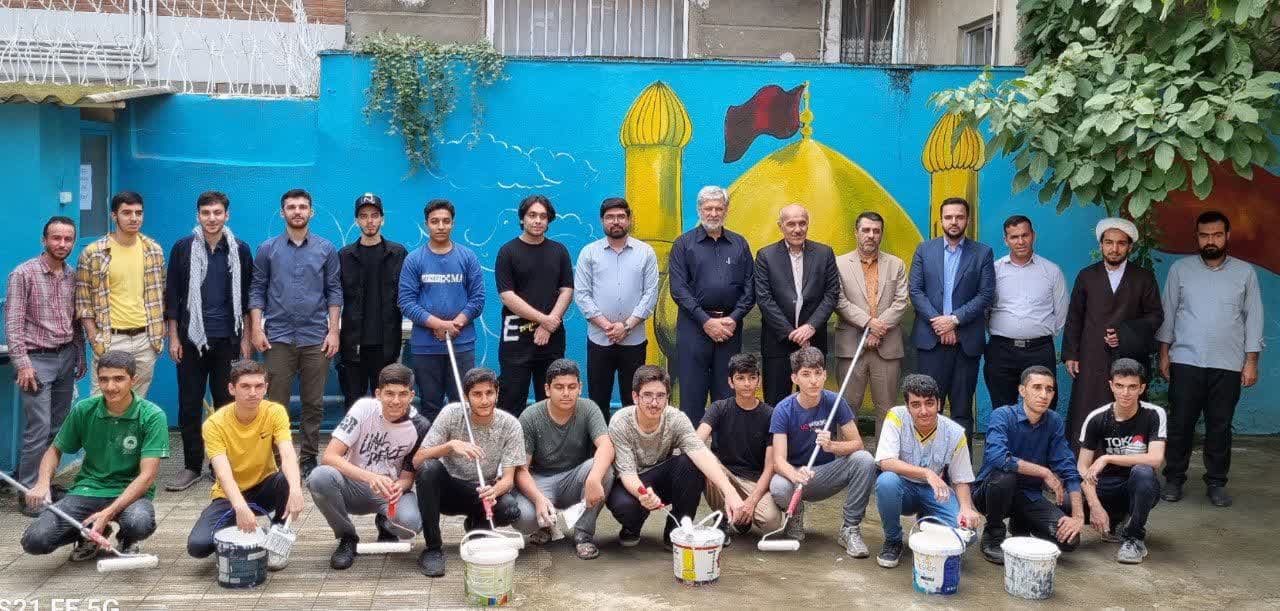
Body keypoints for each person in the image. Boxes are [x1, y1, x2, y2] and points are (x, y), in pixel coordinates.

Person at [1157, 211, 1262, 507]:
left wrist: (1251, 361)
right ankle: (1174, 479)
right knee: (1181, 423)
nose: (1210, 241)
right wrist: (1164, 354)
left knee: (1220, 426)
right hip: (1185, 360)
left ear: (1227, 236)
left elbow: (1254, 318)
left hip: (1227, 363)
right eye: (1204, 236)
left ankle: (1216, 482)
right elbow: (1168, 312)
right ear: (1197, 237)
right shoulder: (1180, 270)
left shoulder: (1245, 273)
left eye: (1216, 235)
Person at [20, 351, 168, 561]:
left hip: (130, 492)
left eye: (118, 379)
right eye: (104, 379)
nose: (110, 387)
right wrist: (43, 483)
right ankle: (89, 532)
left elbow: (147, 476)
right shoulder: (84, 409)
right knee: (34, 541)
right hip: (88, 489)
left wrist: (108, 512)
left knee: (138, 523)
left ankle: (127, 538)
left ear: (133, 380)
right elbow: (54, 450)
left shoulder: (152, 416)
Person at [163, 191, 255, 492]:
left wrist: (246, 341)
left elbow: (247, 299)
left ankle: (222, 467)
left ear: (227, 215)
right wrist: (174, 337)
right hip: (190, 339)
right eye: (206, 213)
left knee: (227, 405)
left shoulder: (240, 250)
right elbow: (172, 296)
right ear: (198, 215)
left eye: (217, 213)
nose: (212, 218)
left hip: (228, 339)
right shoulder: (183, 248)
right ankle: (192, 465)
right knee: (189, 405)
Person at [250, 188, 343, 479]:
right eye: (291, 207)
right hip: (277, 337)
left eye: (303, 207)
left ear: (311, 212)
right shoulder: (267, 249)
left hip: (315, 337)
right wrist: (256, 327)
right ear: (283, 212)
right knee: (275, 403)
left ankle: (308, 457)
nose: (297, 211)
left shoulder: (326, 249)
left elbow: (334, 291)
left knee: (313, 403)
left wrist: (334, 331)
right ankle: (277, 459)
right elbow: (257, 289)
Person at [606, 365, 745, 549]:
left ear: (667, 398)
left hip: (662, 477)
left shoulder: (676, 418)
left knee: (692, 463)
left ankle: (677, 528)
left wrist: (730, 492)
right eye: (647, 395)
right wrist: (642, 494)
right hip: (632, 482)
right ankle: (632, 526)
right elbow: (627, 473)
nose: (654, 403)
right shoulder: (621, 421)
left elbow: (701, 453)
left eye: (660, 396)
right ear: (635, 397)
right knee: (624, 506)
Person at [186, 360, 305, 569]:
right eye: (245, 386)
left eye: (259, 386)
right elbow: (222, 472)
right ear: (232, 389)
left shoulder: (275, 412)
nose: (253, 392)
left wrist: (296, 489)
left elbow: (287, 454)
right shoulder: (214, 424)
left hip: (264, 487)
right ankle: (241, 531)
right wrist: (240, 506)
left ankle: (278, 535)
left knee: (286, 480)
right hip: (229, 494)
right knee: (198, 546)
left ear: (266, 388)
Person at [309, 363, 428, 569]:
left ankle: (386, 523)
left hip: (389, 491)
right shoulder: (363, 408)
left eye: (402, 394)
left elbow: (407, 478)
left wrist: (397, 487)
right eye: (389, 394)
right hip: (352, 485)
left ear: (411, 395)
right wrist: (370, 477)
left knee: (410, 526)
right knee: (319, 477)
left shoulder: (420, 426)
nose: (396, 401)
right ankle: (347, 537)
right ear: (378, 394)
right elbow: (329, 456)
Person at [412, 368, 526, 577]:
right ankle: (433, 548)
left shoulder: (511, 425)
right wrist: (450, 445)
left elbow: (508, 479)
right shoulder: (451, 414)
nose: (484, 400)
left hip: (483, 491)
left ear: (497, 393)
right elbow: (418, 459)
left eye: (489, 393)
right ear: (466, 396)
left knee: (509, 509)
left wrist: (495, 491)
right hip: (449, 490)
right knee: (428, 469)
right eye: (477, 394)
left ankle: (477, 526)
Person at [6, 216, 84, 516]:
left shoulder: (72, 276)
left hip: (65, 357)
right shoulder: (23, 274)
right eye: (56, 238)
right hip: (36, 360)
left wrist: (80, 355)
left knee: (58, 428)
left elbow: (76, 322)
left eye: (68, 239)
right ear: (44, 240)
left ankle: (45, 483)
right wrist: (22, 364)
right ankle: (29, 493)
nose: (62, 244)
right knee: (37, 428)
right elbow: (13, 323)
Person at [1062, 218, 1163, 448]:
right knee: (1087, 408)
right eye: (1108, 242)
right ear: (1101, 245)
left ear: (1130, 247)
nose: (1114, 248)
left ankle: (1126, 462)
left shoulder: (1143, 278)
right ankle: (1083, 461)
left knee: (1127, 407)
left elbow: (1155, 316)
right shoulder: (1087, 276)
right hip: (1091, 355)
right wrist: (1071, 354)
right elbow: (1074, 316)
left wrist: (1124, 334)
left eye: (1121, 243)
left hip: (1129, 357)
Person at [768, 347, 876, 558]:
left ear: (825, 375)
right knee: (778, 486)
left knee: (864, 460)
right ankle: (795, 515)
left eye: (818, 373)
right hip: (796, 477)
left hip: (826, 474)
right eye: (806, 374)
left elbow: (857, 444)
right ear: (794, 378)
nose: (813, 381)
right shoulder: (783, 409)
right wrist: (795, 474)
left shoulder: (835, 401)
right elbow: (778, 461)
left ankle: (850, 528)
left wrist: (831, 446)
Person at [973, 366, 1084, 565]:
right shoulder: (1003, 415)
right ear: (1022, 390)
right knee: (1005, 477)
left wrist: (1077, 516)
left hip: (1028, 496)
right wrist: (1044, 472)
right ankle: (993, 534)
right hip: (990, 493)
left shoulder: (1054, 421)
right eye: (1037, 387)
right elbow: (997, 457)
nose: (1044, 395)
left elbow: (1068, 467)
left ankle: (1022, 524)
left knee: (1070, 540)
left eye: (1049, 389)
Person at [908, 197, 994, 445]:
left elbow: (986, 294)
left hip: (965, 343)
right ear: (940, 220)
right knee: (926, 407)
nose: (954, 222)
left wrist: (954, 320)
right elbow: (916, 291)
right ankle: (926, 464)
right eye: (948, 217)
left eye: (959, 217)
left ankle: (962, 466)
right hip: (931, 342)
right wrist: (939, 322)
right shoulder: (924, 250)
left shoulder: (982, 253)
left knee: (962, 411)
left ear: (967, 220)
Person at [873, 374, 981, 568]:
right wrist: (927, 473)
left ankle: (927, 525)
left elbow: (961, 478)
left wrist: (966, 507)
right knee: (886, 481)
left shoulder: (955, 433)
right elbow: (886, 461)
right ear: (908, 407)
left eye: (929, 403)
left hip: (935, 492)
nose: (923, 411)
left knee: (966, 534)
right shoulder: (896, 416)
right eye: (916, 405)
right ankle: (893, 540)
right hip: (902, 489)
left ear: (939, 404)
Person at [511, 359, 615, 560]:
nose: (566, 393)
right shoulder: (531, 416)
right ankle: (545, 527)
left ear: (580, 388)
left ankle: (583, 535)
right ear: (547, 389)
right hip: (541, 481)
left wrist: (594, 478)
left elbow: (606, 445)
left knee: (604, 470)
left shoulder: (588, 408)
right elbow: (521, 469)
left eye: (571, 387)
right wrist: (538, 498)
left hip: (575, 479)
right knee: (524, 518)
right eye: (559, 387)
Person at [668, 186, 755, 424]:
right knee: (692, 395)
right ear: (699, 210)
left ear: (726, 210)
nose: (714, 213)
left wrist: (734, 318)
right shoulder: (683, 244)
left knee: (727, 395)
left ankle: (723, 445)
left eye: (719, 208)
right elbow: (678, 289)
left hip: (729, 329)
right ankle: (691, 445)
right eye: (708, 208)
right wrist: (706, 322)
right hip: (694, 328)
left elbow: (750, 288)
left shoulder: (739, 244)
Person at [398, 198, 485, 421]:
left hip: (461, 344)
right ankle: (432, 445)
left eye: (446, 221)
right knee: (430, 405)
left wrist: (455, 324)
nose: (440, 226)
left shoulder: (467, 257)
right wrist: (437, 324)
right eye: (435, 221)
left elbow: (477, 299)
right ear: (426, 224)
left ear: (453, 224)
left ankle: (460, 444)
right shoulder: (414, 259)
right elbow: (406, 302)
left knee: (462, 404)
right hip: (425, 347)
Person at [574, 197, 658, 422]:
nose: (616, 221)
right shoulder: (589, 253)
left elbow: (650, 295)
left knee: (634, 399)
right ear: (602, 221)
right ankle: (598, 442)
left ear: (629, 219)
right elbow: (582, 295)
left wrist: (626, 327)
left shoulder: (645, 252)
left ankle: (631, 440)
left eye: (621, 216)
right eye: (610, 217)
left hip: (634, 340)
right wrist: (607, 326)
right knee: (598, 398)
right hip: (599, 339)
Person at [75, 191, 165, 397]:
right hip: (110, 339)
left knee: (136, 402)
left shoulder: (153, 250)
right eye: (127, 213)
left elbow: (162, 292)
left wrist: (158, 334)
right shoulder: (93, 252)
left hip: (145, 340)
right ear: (114, 216)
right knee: (102, 401)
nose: (134, 218)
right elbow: (83, 301)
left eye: (138, 213)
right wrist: (94, 338)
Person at [1078, 358, 1166, 564]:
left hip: (1138, 487)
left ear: (1141, 388)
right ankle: (1115, 518)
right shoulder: (1097, 418)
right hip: (1106, 485)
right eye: (1119, 386)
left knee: (1143, 472)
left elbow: (1155, 459)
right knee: (1066, 503)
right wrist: (1095, 505)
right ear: (1111, 385)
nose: (1125, 393)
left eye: (1132, 387)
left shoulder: (1154, 414)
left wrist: (1107, 457)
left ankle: (1134, 538)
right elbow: (1082, 467)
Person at [833, 211, 910, 441]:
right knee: (847, 409)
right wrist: (869, 323)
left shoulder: (896, 264)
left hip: (887, 347)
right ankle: (846, 459)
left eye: (876, 231)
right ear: (856, 233)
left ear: (881, 234)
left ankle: (885, 459)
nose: (871, 235)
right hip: (851, 346)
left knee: (887, 409)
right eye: (866, 230)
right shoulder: (838, 263)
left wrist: (878, 329)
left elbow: (901, 301)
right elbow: (838, 300)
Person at [495, 195, 574, 416]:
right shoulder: (507, 252)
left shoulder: (559, 251)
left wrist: (549, 325)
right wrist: (543, 320)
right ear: (522, 218)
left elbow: (567, 290)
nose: (538, 220)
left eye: (543, 216)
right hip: (515, 338)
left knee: (551, 399)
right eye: (532, 215)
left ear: (548, 220)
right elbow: (507, 296)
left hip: (552, 337)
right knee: (511, 398)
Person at [753, 204, 840, 405]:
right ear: (780, 226)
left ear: (808, 224)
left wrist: (810, 327)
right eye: (791, 224)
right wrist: (791, 333)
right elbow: (764, 298)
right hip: (777, 343)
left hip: (813, 340)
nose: (797, 229)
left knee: (812, 400)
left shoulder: (824, 253)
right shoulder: (766, 256)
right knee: (776, 402)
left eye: (802, 223)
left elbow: (831, 294)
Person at [694, 353, 780, 546]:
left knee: (772, 522)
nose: (747, 384)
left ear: (758, 380)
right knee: (704, 463)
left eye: (752, 378)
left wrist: (751, 502)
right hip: (724, 476)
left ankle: (741, 515)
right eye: (740, 378)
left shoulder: (771, 414)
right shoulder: (719, 408)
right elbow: (696, 442)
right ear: (730, 382)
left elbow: (770, 466)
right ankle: (723, 519)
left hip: (753, 481)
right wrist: (728, 488)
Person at [984, 215, 1068, 411]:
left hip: (1039, 350)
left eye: (1025, 235)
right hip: (1001, 350)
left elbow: (1061, 312)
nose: (1020, 241)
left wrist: (1036, 333)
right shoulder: (994, 271)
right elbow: (985, 310)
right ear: (1006, 240)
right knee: (1003, 409)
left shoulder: (1051, 271)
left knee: (1043, 408)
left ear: (1033, 235)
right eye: (1014, 237)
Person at [338, 193, 407, 411]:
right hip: (352, 345)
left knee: (388, 406)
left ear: (382, 219)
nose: (370, 221)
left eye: (375, 215)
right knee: (354, 406)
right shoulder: (344, 256)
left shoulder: (398, 254)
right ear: (356, 220)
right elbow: (333, 296)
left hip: (387, 345)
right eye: (364, 216)